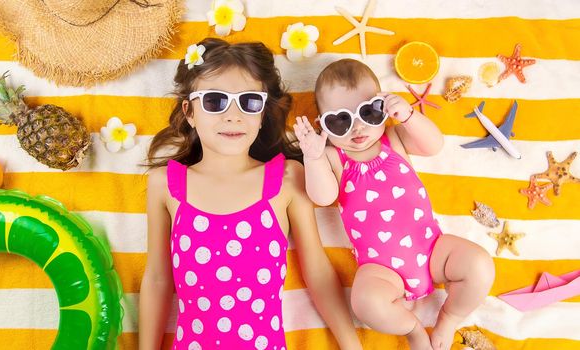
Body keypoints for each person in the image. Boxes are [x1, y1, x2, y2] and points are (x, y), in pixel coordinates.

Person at [139, 38, 362, 350]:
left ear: (262, 113)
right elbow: (158, 280)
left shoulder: (285, 178)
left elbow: (318, 271)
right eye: (215, 101)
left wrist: (353, 346)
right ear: (189, 111)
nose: (233, 115)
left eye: (249, 102)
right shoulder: (166, 183)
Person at [293, 59, 495, 350]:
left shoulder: (394, 137)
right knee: (365, 303)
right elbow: (322, 197)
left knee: (479, 265)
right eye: (340, 120)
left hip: (433, 249)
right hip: (381, 269)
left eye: (368, 112)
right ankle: (412, 329)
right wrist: (312, 158)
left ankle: (449, 317)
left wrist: (409, 116)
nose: (358, 127)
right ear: (321, 125)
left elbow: (433, 145)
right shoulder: (333, 157)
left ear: (384, 107)